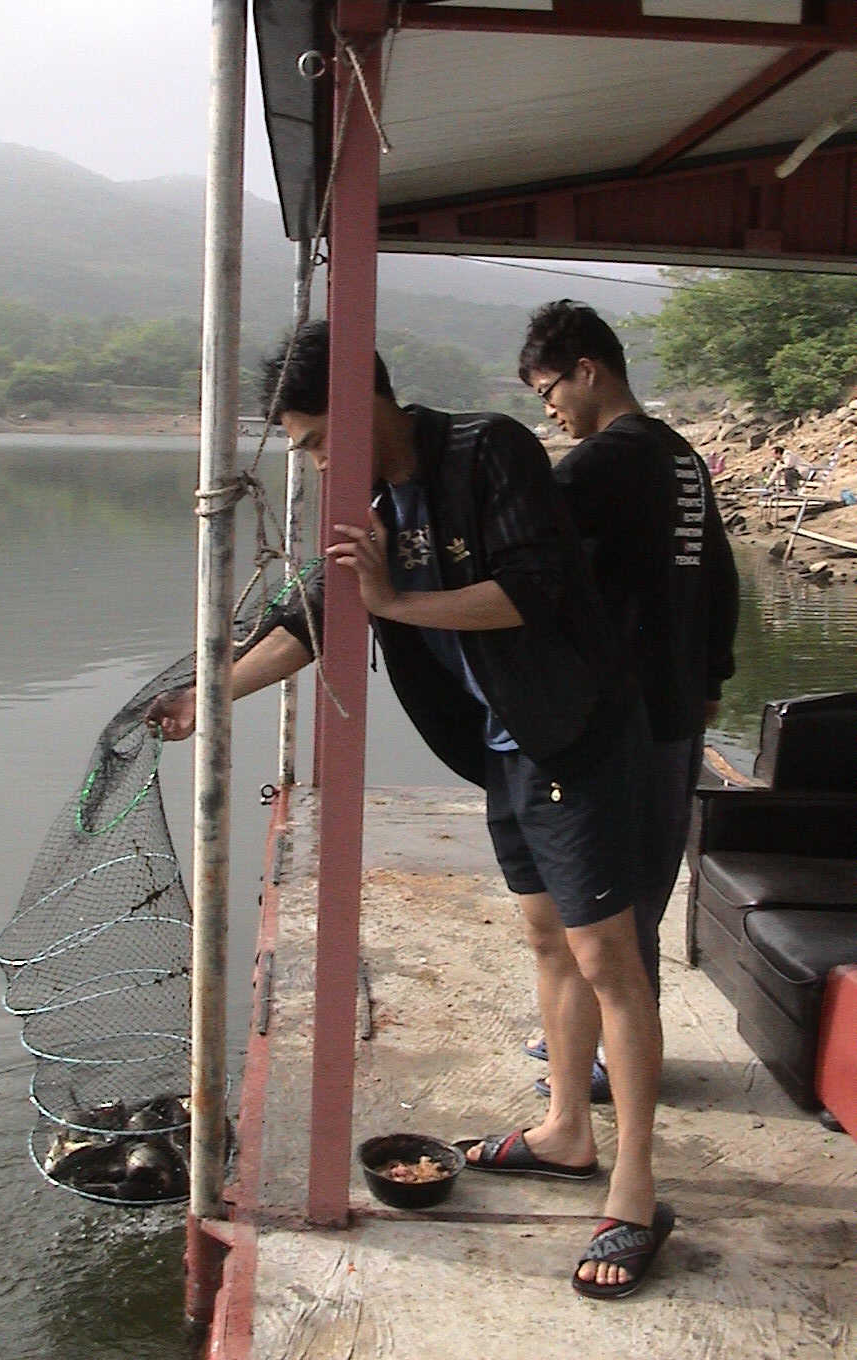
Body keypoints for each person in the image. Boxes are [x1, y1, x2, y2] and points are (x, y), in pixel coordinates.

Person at [147, 318, 674, 1299]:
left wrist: (393, 602)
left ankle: (637, 1192)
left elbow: (528, 590)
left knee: (607, 955)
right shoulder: (376, 504)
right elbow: (313, 618)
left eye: (316, 440)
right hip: (504, 749)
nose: (314, 461)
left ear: (364, 404)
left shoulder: (488, 450)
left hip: (577, 732)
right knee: (548, 941)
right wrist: (205, 696)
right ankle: (567, 1131)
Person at [517, 300, 739, 1100]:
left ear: (588, 371)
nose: (550, 410)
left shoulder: (599, 464)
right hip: (676, 707)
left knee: (610, 898)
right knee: (642, 887)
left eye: (550, 391)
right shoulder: (681, 455)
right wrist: (712, 677)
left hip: (623, 714)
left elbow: (520, 562)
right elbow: (720, 576)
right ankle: (603, 1039)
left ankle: (617, 1061)